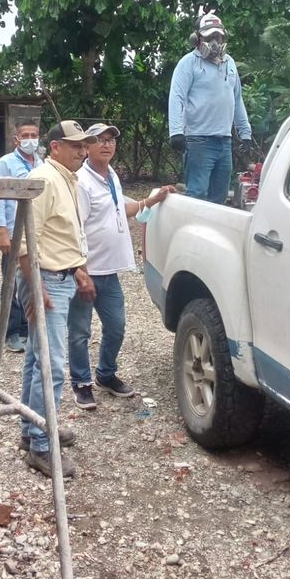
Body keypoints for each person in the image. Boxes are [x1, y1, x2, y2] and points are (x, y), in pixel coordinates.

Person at [67, 124, 175, 411]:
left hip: (109, 272)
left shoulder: (111, 175)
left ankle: (105, 375)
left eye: (111, 140)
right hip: (87, 272)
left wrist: (151, 201)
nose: (106, 145)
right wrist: (80, 270)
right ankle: (81, 383)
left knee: (116, 326)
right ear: (86, 147)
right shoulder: (81, 182)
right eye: (99, 140)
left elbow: (118, 209)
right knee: (80, 332)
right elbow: (75, 227)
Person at [17, 120, 98, 479]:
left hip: (60, 276)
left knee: (38, 360)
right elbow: (24, 241)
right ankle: (41, 446)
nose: (83, 151)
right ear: (55, 147)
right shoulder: (46, 180)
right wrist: (37, 287)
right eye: (75, 145)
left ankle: (32, 428)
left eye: (84, 146)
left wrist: (77, 268)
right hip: (46, 279)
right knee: (51, 365)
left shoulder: (66, 179)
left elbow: (60, 235)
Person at [168, 10, 252, 204]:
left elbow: (236, 99)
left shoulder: (229, 63)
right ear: (197, 39)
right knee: (197, 194)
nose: (214, 42)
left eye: (218, 37)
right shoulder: (188, 63)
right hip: (199, 140)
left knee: (219, 197)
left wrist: (245, 133)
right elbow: (177, 97)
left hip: (224, 141)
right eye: (209, 37)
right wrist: (176, 131)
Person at [0, 121, 43, 352]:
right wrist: (1, 231)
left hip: (35, 232)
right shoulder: (6, 163)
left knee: (31, 279)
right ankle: (10, 331)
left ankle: (25, 328)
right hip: (13, 232)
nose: (30, 139)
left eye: (34, 135)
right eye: (26, 135)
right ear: (16, 140)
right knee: (11, 282)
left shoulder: (41, 163)